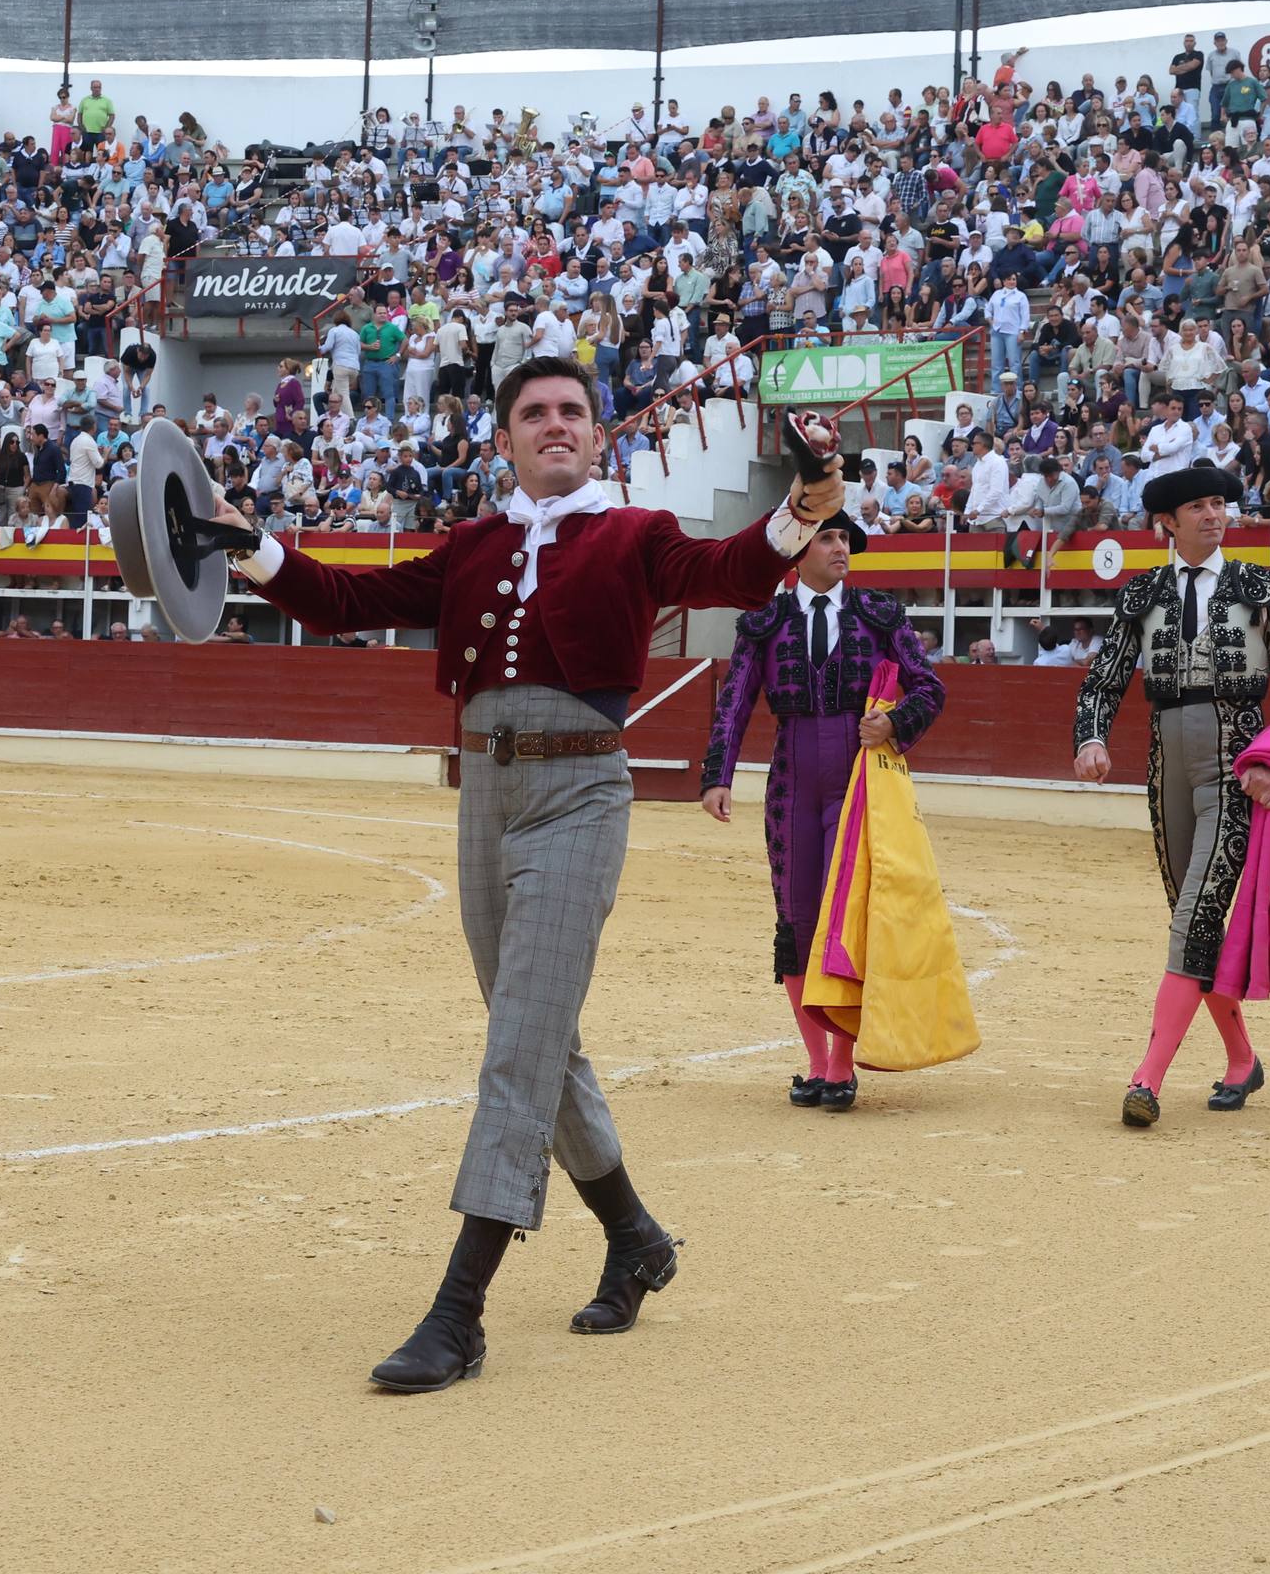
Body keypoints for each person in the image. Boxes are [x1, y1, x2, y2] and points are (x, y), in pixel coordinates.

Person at [215, 356, 845, 1393]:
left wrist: (804, 505)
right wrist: (250, 547)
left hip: (580, 796)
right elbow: (343, 599)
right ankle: (635, 1237)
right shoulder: (473, 545)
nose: (556, 424)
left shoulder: (636, 534)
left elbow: (731, 571)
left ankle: (458, 1312)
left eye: (573, 413)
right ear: (505, 440)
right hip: (486, 798)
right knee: (543, 1040)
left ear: (598, 437)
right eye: (535, 413)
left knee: (517, 1047)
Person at [1071, 460, 1270, 1128]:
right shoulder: (1142, 593)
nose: (1215, 515)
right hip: (1166, 771)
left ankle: (1146, 1080)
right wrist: (1091, 738)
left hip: (1235, 768)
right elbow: (1103, 681)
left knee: (1193, 920)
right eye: (1200, 507)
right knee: (1196, 923)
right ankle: (1242, 1060)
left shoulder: (1262, 588)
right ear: (1168, 523)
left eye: (1220, 504)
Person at [699, 513, 945, 1114]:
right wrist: (717, 776)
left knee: (846, 913)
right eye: (828, 538)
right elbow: (734, 704)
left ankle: (840, 1065)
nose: (841, 548)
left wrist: (894, 722)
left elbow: (929, 687)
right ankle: (815, 1061)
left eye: (844, 540)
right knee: (797, 918)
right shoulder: (764, 620)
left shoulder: (879, 614)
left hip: (858, 779)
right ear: (798, 552)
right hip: (790, 777)